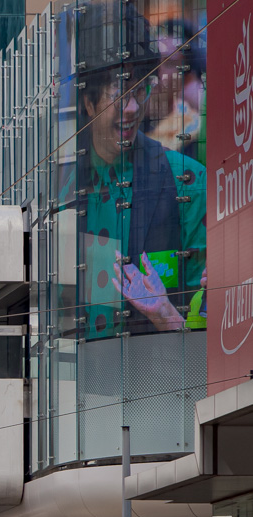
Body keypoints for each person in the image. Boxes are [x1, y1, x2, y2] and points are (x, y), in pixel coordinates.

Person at [71, 0, 205, 339]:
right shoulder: (63, 192)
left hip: (162, 381)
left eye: (141, 91)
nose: (132, 109)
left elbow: (212, 334)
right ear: (88, 103)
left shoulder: (187, 182)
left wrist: (166, 315)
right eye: (119, 97)